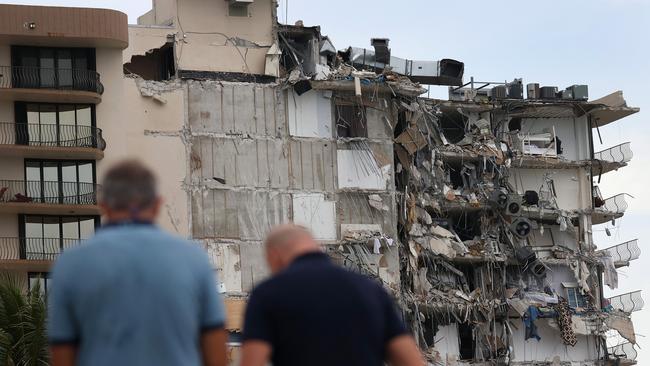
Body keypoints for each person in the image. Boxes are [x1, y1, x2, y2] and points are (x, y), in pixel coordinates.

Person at [48, 160, 227, 366]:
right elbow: (215, 348)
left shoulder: (70, 264)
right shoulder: (195, 259)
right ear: (157, 204)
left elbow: (62, 352)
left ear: (103, 205)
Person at [240, 224, 424, 366]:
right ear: (316, 248)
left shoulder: (267, 294)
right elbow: (410, 360)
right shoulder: (371, 290)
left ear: (274, 256)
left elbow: (252, 361)